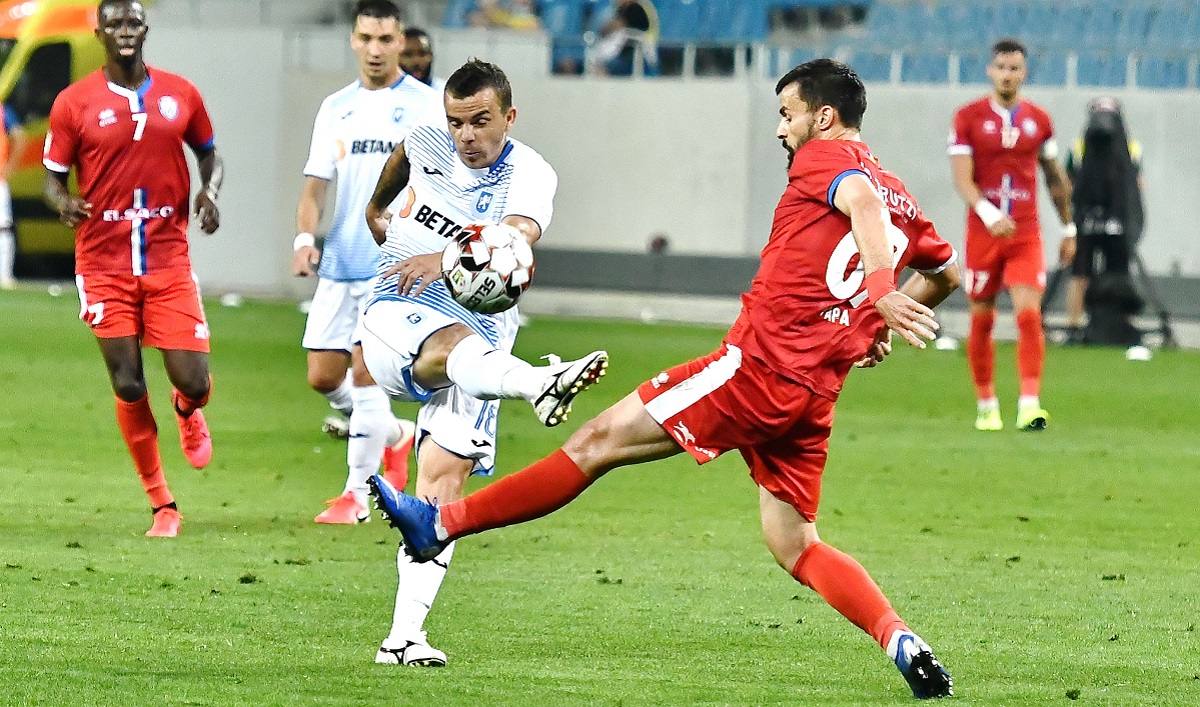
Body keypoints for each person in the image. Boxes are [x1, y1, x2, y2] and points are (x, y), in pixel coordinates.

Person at [369, 58, 959, 699]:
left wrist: (878, 296)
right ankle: (901, 639)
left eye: (787, 115)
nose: (782, 131)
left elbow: (861, 202)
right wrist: (876, 325)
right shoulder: (904, 194)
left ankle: (442, 524)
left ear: (825, 117)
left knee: (593, 444)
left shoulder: (826, 159)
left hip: (752, 371)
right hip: (812, 398)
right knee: (796, 545)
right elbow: (948, 273)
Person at [360, 58, 608, 666]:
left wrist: (445, 259)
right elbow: (402, 157)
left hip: (482, 344)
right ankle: (540, 382)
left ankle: (404, 638)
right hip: (396, 314)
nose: (466, 137)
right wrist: (376, 210)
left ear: (509, 117)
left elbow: (516, 237)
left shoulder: (529, 172)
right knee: (445, 345)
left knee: (440, 492)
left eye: (480, 122)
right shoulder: (428, 142)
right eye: (456, 123)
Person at [42, 0, 223, 538]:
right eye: (114, 22)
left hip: (168, 258)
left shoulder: (181, 93)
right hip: (103, 263)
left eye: (133, 22)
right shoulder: (74, 103)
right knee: (126, 383)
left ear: (145, 28)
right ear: (98, 30)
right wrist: (61, 202)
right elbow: (52, 176)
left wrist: (209, 193)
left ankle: (189, 409)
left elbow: (210, 152)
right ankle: (162, 505)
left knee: (193, 378)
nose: (125, 31)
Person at [292, 0, 437, 525]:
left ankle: (357, 496)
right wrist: (305, 238)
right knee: (323, 377)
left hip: (390, 266)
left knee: (365, 373)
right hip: (339, 262)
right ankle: (396, 433)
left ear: (402, 43)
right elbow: (314, 188)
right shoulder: (336, 107)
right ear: (353, 40)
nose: (375, 49)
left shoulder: (425, 107)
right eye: (366, 39)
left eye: (385, 39)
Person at [948, 38, 1075, 432]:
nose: (1007, 75)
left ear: (1024, 72)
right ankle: (987, 405)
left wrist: (1069, 227)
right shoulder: (967, 117)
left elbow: (1055, 179)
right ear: (991, 70)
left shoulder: (1039, 120)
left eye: (1015, 68)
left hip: (1025, 232)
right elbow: (963, 180)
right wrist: (987, 213)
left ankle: (1029, 404)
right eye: (1001, 67)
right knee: (982, 321)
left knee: (1028, 314)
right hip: (983, 234)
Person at [1063, 97, 1144, 343]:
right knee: (1079, 273)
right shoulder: (1078, 148)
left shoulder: (1132, 148)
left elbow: (1136, 186)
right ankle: (1074, 326)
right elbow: (1067, 184)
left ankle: (1121, 326)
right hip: (1085, 218)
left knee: (1119, 272)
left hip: (1116, 218)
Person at [590, 0, 657, 76]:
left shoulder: (635, 8)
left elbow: (610, 28)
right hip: (625, 54)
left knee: (601, 68)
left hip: (633, 57)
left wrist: (606, 29)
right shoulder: (621, 10)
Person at [0, 101, 26, 290]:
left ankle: (6, 275)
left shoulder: (3, 111)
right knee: (4, 229)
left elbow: (19, 138)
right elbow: (20, 137)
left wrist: (9, 169)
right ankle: (6, 276)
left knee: (4, 229)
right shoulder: (3, 110)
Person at [398, 27, 444, 93]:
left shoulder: (444, 94)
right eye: (408, 55)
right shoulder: (385, 94)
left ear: (431, 56)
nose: (416, 61)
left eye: (423, 53)